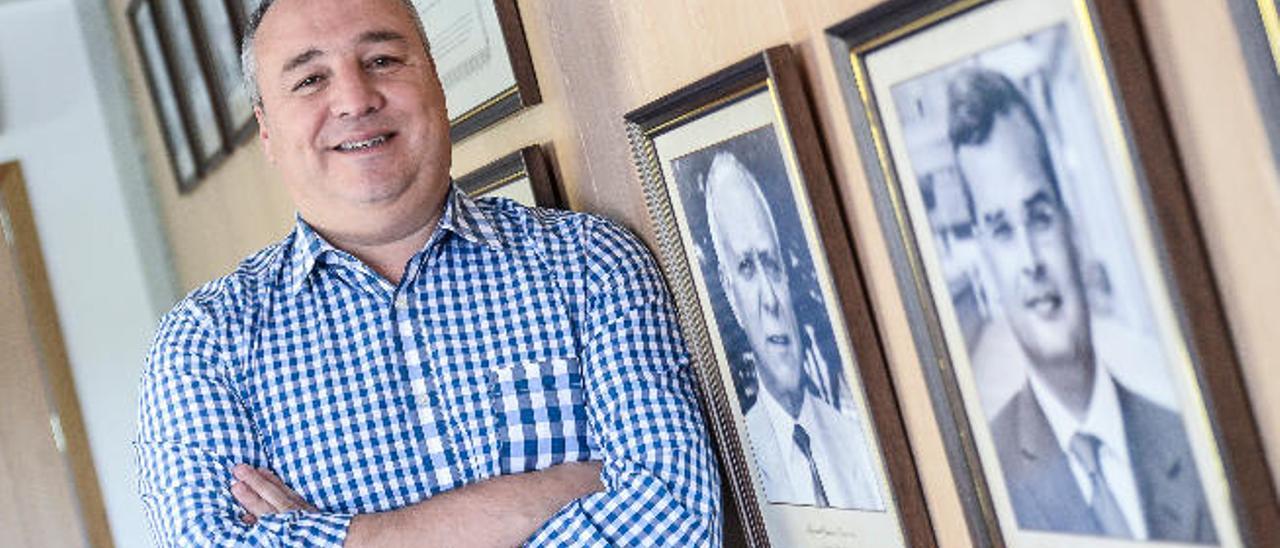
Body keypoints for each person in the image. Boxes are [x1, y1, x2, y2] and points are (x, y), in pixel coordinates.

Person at [133, 0, 721, 545]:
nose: (355, 99)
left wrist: (328, 535)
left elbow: (679, 518)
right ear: (267, 129)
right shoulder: (202, 348)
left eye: (382, 60)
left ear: (436, 83)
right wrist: (544, 494)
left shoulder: (590, 264)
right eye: (310, 79)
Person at [946, 67, 1216, 542]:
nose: (1030, 260)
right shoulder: (986, 480)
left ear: (1072, 229)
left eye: (1040, 216)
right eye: (1003, 231)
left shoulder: (1190, 435)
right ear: (986, 265)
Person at [702, 152, 882, 511]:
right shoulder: (735, 463)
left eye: (772, 263)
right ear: (729, 290)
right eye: (747, 268)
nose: (770, 299)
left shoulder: (861, 443)